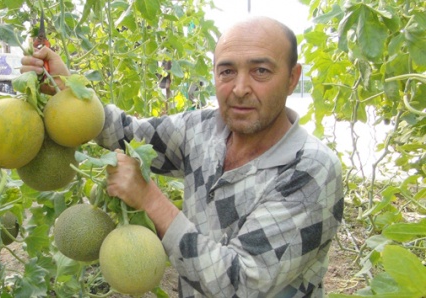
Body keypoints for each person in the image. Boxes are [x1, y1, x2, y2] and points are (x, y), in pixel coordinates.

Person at [21, 16, 344, 298]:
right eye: (227, 71)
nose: (240, 88)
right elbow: (126, 133)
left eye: (260, 71)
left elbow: (241, 286)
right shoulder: (204, 129)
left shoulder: (309, 168)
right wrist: (67, 89)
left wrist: (150, 199)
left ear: (292, 78)